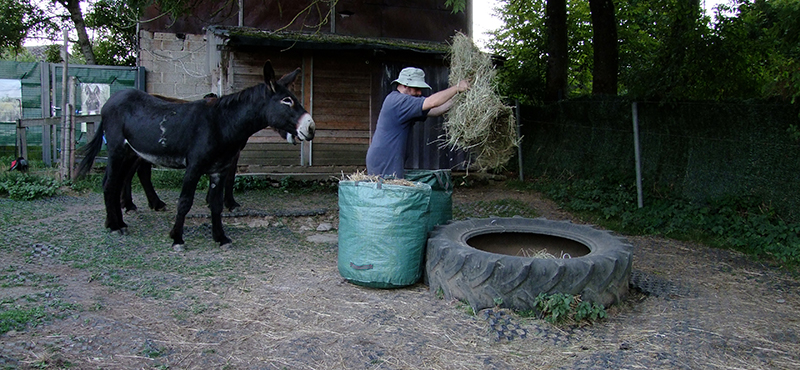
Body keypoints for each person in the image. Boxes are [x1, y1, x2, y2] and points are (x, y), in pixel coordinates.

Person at [366, 67, 469, 179]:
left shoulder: (401, 102)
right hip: (385, 160)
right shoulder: (399, 101)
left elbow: (436, 111)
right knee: (389, 193)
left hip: (387, 159)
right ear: (405, 85)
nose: (420, 93)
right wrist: (457, 88)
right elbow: (432, 102)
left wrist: (459, 98)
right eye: (417, 88)